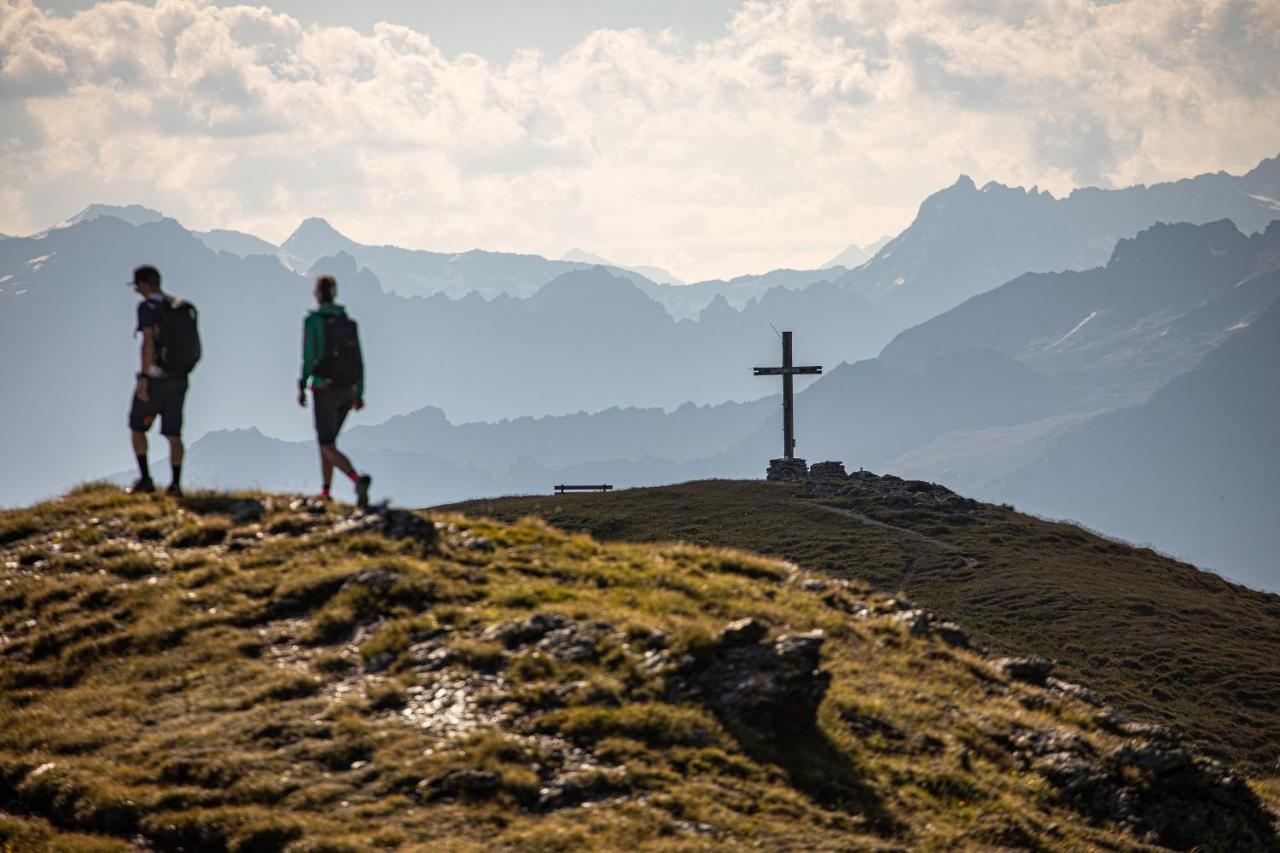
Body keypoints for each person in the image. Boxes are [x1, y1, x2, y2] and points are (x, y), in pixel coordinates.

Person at [298, 274, 372, 507]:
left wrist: (302, 384)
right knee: (328, 442)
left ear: (318, 294)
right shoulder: (348, 322)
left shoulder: (314, 321)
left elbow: (309, 356)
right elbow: (359, 360)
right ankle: (326, 491)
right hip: (347, 390)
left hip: (324, 388)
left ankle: (356, 479)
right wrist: (359, 393)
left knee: (325, 443)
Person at [128, 265, 199, 496]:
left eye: (137, 286)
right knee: (174, 434)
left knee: (137, 426)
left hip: (157, 379)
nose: (138, 291)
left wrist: (144, 377)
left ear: (144, 284)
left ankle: (146, 479)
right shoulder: (180, 306)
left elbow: (148, 342)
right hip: (180, 378)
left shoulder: (148, 308)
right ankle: (176, 485)